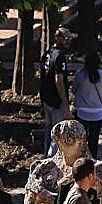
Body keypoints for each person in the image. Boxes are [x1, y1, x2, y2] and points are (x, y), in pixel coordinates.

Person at [39, 27, 73, 156]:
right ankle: (51, 162)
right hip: (55, 101)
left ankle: (45, 159)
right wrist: (65, 104)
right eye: (66, 38)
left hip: (46, 99)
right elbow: (58, 80)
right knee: (57, 134)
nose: (68, 42)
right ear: (57, 39)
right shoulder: (60, 57)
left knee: (48, 132)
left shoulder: (47, 54)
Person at [72, 51, 102, 159]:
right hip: (97, 112)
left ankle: (80, 160)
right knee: (94, 140)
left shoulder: (80, 74)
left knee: (80, 139)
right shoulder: (101, 74)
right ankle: (92, 161)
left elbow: (74, 90)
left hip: (81, 111)